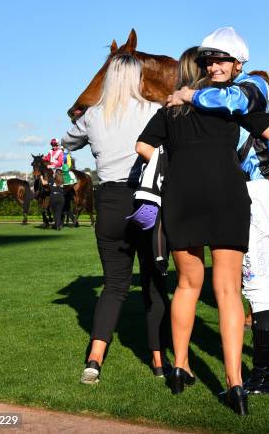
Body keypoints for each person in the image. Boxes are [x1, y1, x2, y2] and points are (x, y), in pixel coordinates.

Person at [167, 27, 269, 400]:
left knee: (255, 282)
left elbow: (229, 103)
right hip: (234, 192)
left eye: (222, 59)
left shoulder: (248, 88)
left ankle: (259, 375)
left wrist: (187, 93)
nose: (214, 65)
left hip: (251, 190)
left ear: (239, 62)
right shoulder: (222, 93)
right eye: (209, 60)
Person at [137, 45, 269, 416]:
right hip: (227, 194)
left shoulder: (170, 110)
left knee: (187, 285)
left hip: (182, 197)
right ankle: (235, 384)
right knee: (228, 290)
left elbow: (143, 146)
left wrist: (174, 163)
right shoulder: (228, 105)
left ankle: (180, 366)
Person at [61, 53, 171, 384]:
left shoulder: (93, 116)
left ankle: (94, 359)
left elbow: (67, 142)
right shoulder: (153, 111)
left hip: (108, 200)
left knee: (113, 286)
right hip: (145, 199)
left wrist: (82, 117)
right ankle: (157, 359)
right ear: (138, 80)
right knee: (153, 281)